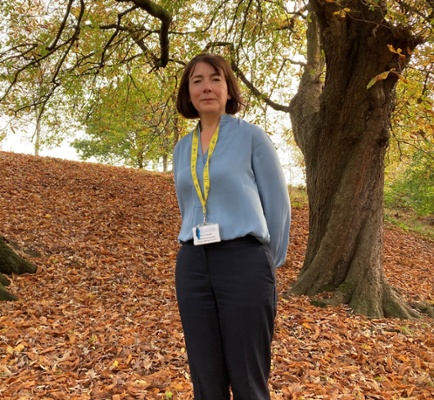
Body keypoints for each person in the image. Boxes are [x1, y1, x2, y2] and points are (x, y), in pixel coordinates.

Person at [173, 53, 291, 400]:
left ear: (228, 89)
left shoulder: (252, 138)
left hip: (244, 261)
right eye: (197, 81)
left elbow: (279, 206)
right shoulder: (182, 149)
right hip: (193, 265)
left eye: (215, 79)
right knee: (205, 380)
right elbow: (188, 206)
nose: (206, 87)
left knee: (247, 379)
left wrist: (267, 261)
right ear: (188, 93)